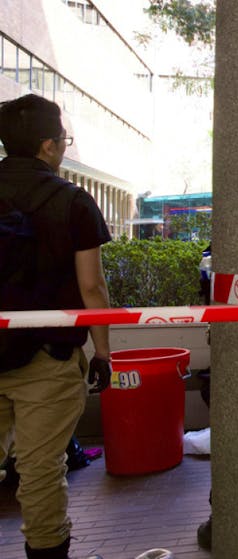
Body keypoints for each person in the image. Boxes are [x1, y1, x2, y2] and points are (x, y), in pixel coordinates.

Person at [0, 94, 112, 559]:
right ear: (47, 145)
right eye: (63, 139)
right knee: (41, 472)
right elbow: (92, 289)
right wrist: (103, 354)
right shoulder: (73, 201)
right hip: (48, 359)